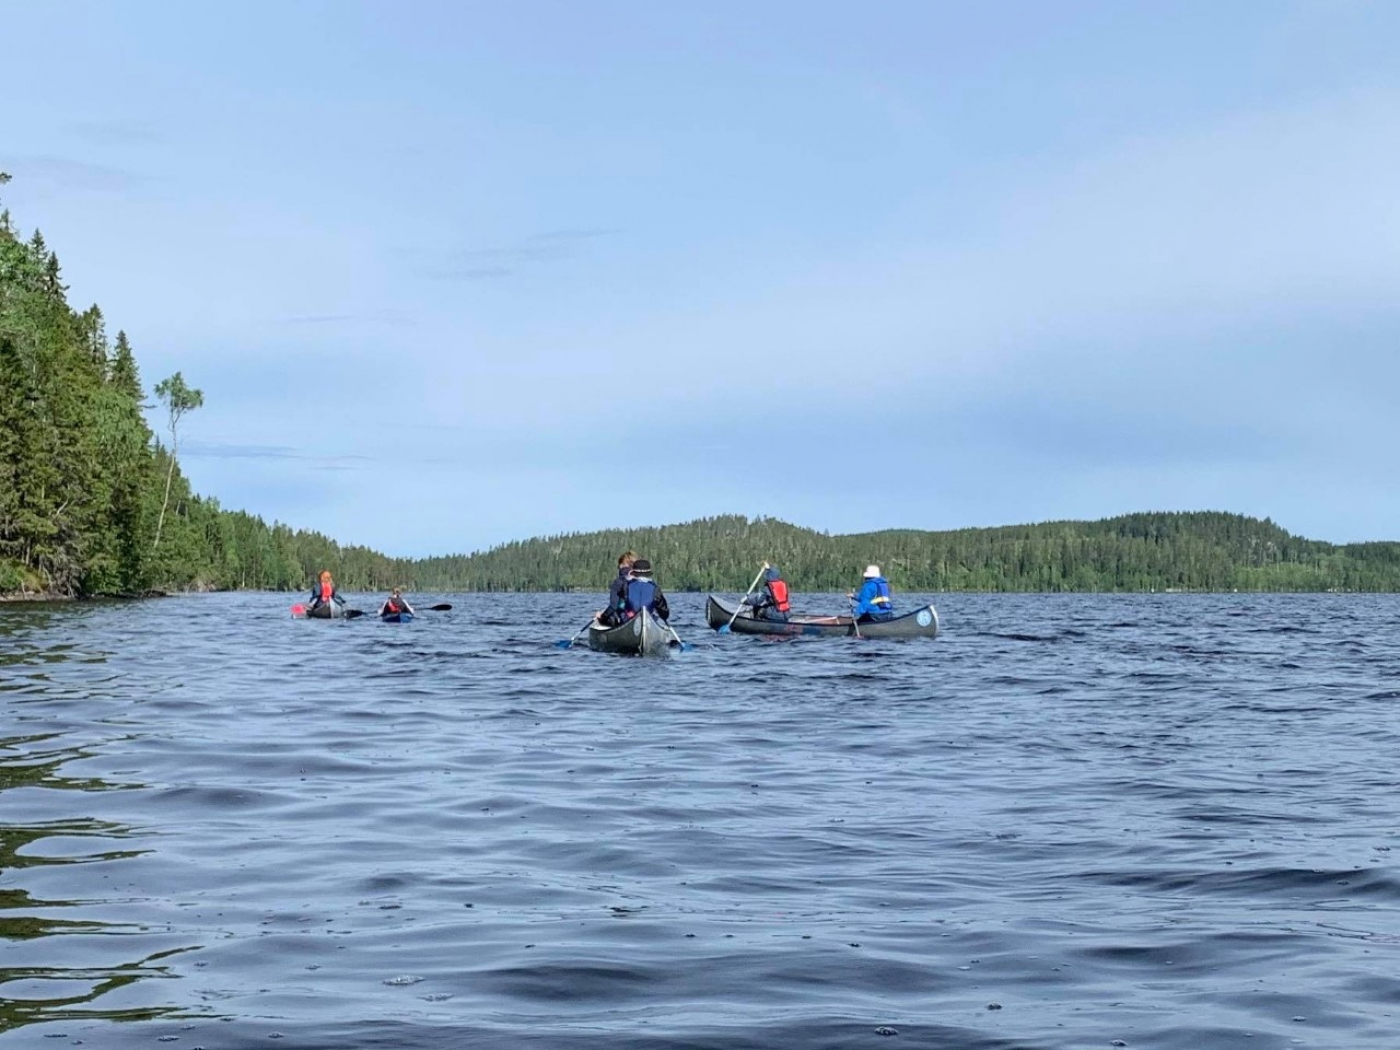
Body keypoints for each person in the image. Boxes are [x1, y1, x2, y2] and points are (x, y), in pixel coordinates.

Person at [597, 551, 637, 627]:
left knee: (605, 617)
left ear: (621, 565)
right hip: (640, 614)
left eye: (618, 566)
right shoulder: (642, 580)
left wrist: (602, 616)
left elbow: (613, 606)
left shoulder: (618, 582)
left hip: (626, 618)